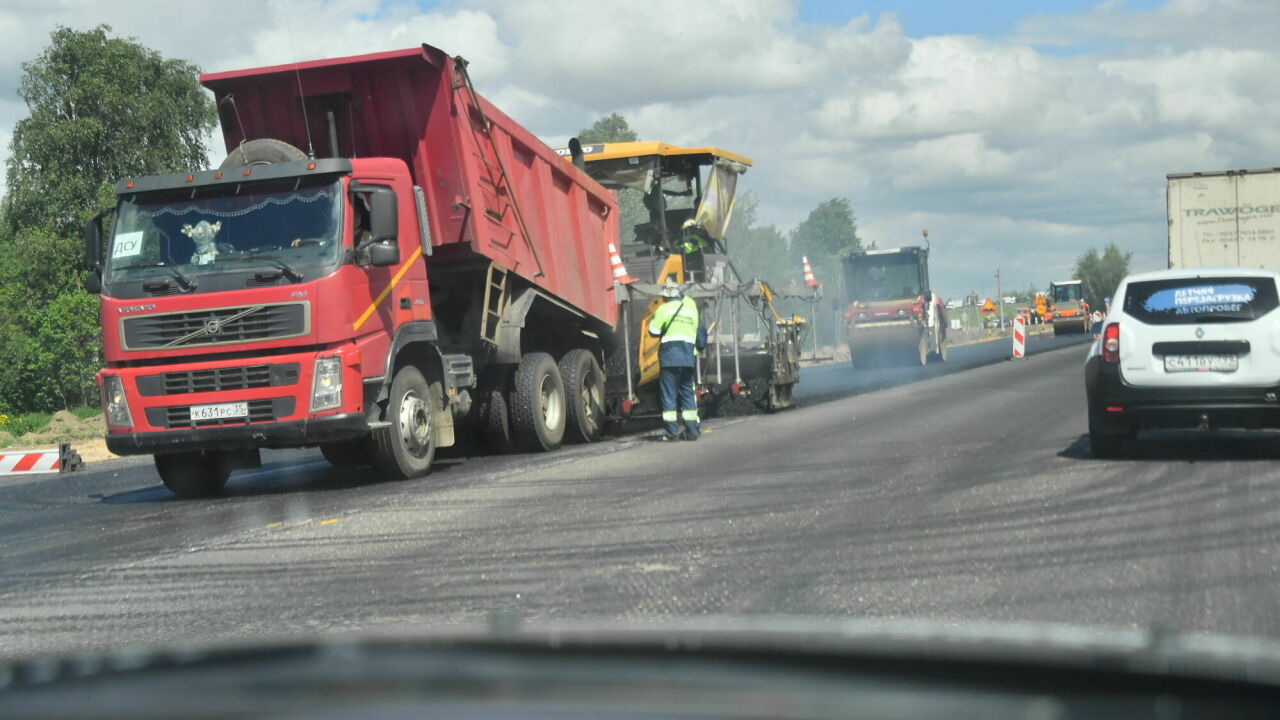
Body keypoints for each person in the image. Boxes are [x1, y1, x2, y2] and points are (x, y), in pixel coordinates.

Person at [648, 278, 707, 441]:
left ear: (666, 296)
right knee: (687, 394)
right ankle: (692, 432)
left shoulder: (663, 309)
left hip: (670, 358)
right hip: (688, 357)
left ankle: (672, 433)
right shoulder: (690, 308)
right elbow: (698, 330)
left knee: (669, 396)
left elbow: (653, 331)